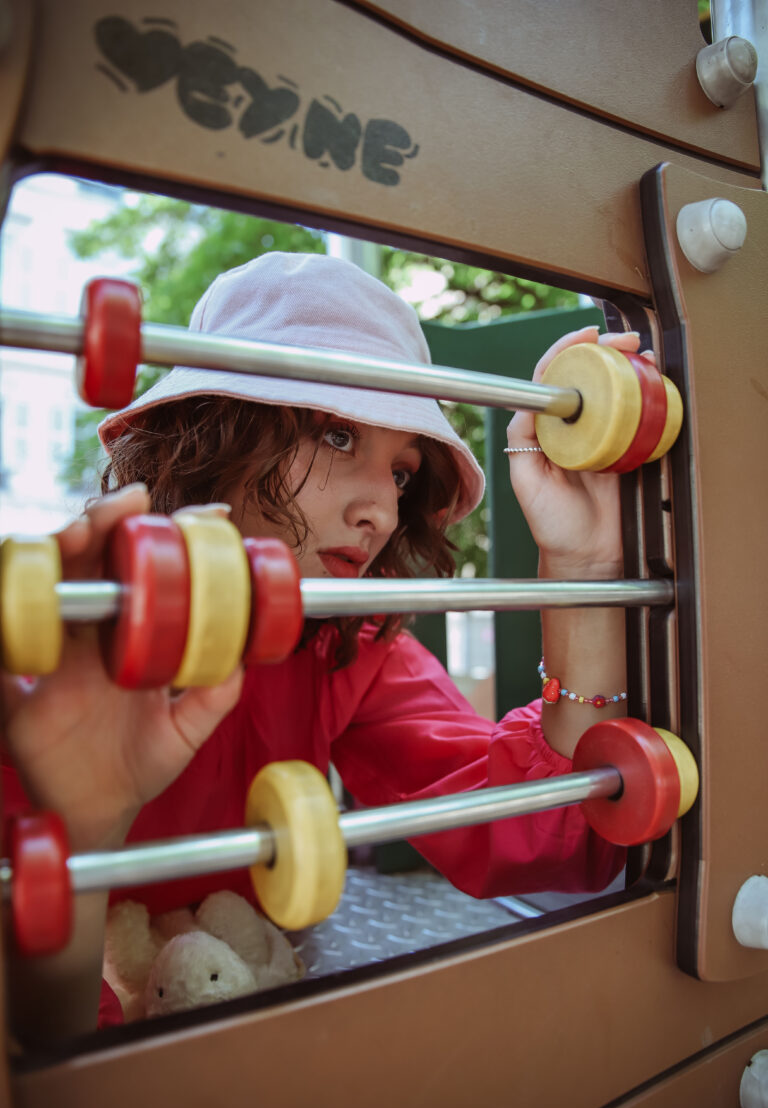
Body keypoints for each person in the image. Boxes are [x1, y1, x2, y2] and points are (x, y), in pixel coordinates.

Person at [1, 252, 637, 1041]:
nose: (379, 509)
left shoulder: (350, 644)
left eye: (403, 473)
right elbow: (47, 1056)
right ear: (212, 433)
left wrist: (583, 568)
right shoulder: (56, 633)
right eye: (338, 435)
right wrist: (82, 834)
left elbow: (548, 833)